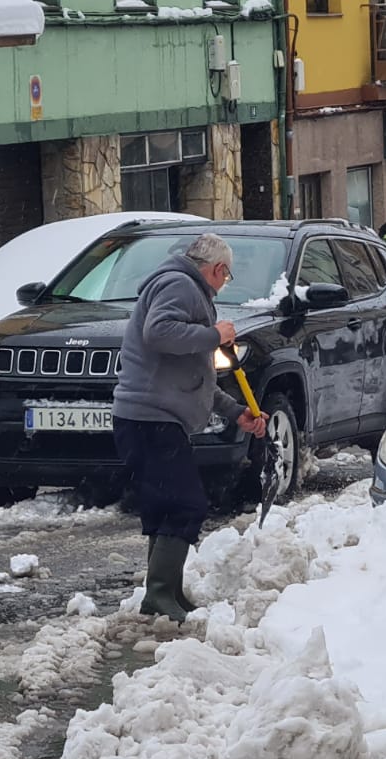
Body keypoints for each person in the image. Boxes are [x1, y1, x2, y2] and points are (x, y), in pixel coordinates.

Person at [112, 233, 268, 622]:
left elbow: (194, 377)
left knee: (167, 504)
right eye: (226, 278)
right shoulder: (180, 285)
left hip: (153, 418)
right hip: (151, 418)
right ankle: (159, 595)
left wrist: (235, 412)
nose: (223, 285)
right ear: (217, 270)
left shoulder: (184, 287)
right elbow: (159, 332)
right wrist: (216, 334)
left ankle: (166, 593)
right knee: (185, 503)